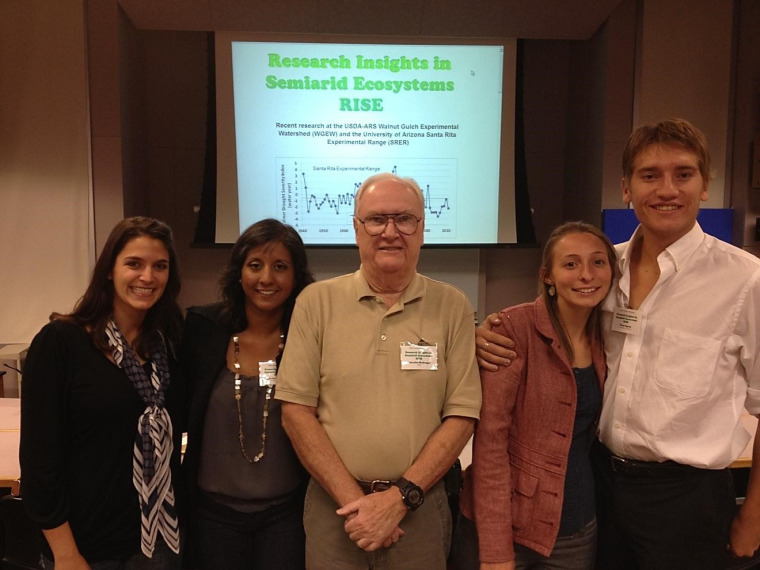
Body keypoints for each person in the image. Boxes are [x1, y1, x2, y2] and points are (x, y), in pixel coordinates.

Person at [477, 118, 760, 569]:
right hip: (601, 485)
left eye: (683, 174)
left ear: (705, 185)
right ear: (626, 188)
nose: (666, 189)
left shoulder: (746, 280)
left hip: (686, 501)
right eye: (650, 175)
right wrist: (490, 331)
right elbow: (547, 321)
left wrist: (754, 516)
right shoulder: (606, 267)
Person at [275, 172, 482, 570]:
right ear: (356, 229)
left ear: (422, 230)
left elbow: (462, 415)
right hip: (334, 512)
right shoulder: (315, 303)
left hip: (420, 511)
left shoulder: (452, 306)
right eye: (376, 219)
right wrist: (360, 507)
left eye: (405, 219)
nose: (391, 232)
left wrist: (399, 500)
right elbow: (296, 413)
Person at [20, 217, 185, 569]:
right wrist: (66, 554)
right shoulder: (62, 343)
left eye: (160, 266)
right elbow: (39, 463)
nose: (148, 277)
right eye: (134, 264)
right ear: (109, 270)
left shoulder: (166, 347)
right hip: (85, 549)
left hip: (157, 542)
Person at [450, 222, 615, 570]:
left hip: (577, 529)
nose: (587, 275)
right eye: (570, 264)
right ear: (548, 276)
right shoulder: (513, 330)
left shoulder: (606, 335)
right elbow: (491, 447)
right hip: (507, 527)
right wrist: (496, 553)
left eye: (598, 262)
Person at [179, 219, 314, 569]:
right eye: (255, 265)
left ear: (297, 276)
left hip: (285, 518)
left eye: (280, 267)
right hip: (211, 517)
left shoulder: (311, 339)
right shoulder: (203, 329)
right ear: (239, 272)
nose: (266, 278)